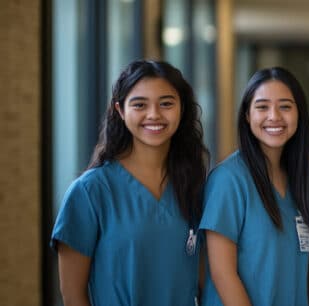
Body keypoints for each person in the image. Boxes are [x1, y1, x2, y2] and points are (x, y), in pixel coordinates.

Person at [51, 60, 209, 305]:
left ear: (183, 109)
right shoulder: (90, 193)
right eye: (140, 104)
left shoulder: (195, 187)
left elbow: (203, 282)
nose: (154, 114)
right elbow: (72, 295)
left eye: (166, 103)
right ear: (121, 111)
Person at [199, 67, 309, 306]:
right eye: (262, 107)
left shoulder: (303, 181)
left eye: (285, 106)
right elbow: (223, 274)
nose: (274, 116)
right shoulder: (229, 180)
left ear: (299, 114)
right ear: (247, 115)